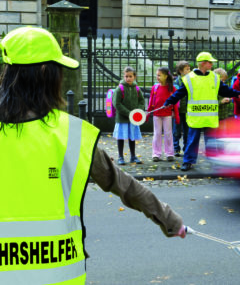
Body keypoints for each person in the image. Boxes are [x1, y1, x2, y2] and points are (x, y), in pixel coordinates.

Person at [0, 26, 186, 285]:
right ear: (46, 73)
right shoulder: (71, 135)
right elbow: (121, 183)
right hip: (58, 275)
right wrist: (169, 219)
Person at [164, 52, 240, 171]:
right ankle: (188, 161)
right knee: (192, 140)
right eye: (209, 62)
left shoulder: (214, 77)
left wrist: (237, 93)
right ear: (202, 63)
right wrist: (169, 102)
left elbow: (224, 90)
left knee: (211, 141)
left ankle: (214, 162)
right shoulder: (189, 78)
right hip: (196, 117)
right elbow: (179, 93)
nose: (211, 64)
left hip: (210, 116)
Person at [112, 66, 144, 165]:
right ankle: (120, 157)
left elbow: (141, 101)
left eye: (130, 76)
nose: (128, 78)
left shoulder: (137, 89)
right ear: (123, 76)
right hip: (122, 118)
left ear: (134, 76)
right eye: (126, 76)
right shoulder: (119, 89)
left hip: (133, 119)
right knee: (121, 137)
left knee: (132, 137)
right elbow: (116, 104)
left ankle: (133, 156)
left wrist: (138, 111)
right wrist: (128, 113)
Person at [148, 67, 180, 162]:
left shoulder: (172, 88)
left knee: (168, 134)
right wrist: (147, 112)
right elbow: (151, 101)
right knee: (157, 134)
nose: (157, 77)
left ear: (166, 76)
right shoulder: (155, 87)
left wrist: (176, 114)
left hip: (167, 114)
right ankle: (156, 154)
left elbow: (175, 102)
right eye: (157, 75)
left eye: (159, 75)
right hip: (157, 114)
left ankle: (169, 153)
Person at [173, 61, 190, 157]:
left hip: (187, 110)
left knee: (187, 131)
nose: (189, 71)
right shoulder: (176, 82)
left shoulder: (191, 81)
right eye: (187, 69)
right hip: (178, 111)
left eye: (189, 69)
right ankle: (176, 148)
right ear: (180, 71)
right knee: (176, 131)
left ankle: (186, 148)